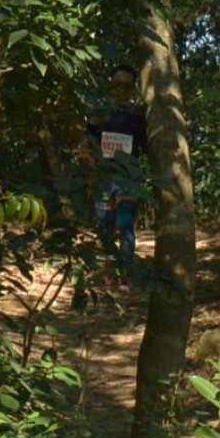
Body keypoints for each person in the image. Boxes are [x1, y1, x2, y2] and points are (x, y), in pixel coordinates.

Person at [84, 64, 147, 281]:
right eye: (117, 84)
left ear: (133, 89)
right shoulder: (98, 114)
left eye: (127, 86)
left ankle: (124, 273)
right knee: (104, 226)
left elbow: (146, 145)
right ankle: (111, 269)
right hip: (103, 179)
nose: (121, 89)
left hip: (128, 179)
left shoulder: (137, 116)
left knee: (125, 224)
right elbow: (87, 141)